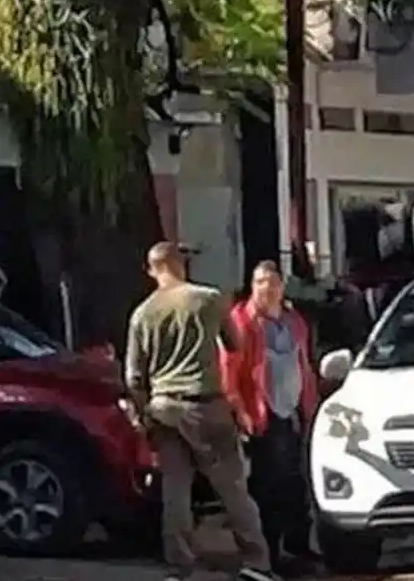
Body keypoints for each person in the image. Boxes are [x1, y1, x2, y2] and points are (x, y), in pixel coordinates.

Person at [125, 241, 277, 581]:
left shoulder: (142, 314)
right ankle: (256, 561)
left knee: (175, 490)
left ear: (151, 270)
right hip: (206, 404)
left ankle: (179, 567)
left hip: (164, 408)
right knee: (232, 487)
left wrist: (143, 414)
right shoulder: (208, 299)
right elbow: (235, 345)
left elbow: (134, 376)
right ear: (181, 265)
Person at [223, 260, 320, 573]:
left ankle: (298, 545)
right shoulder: (241, 321)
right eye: (259, 282)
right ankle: (270, 554)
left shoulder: (295, 322)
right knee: (268, 485)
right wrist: (240, 410)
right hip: (263, 414)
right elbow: (229, 371)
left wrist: (311, 404)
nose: (266, 288)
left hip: (294, 412)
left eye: (271, 282)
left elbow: (305, 365)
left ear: (281, 286)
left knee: (296, 482)